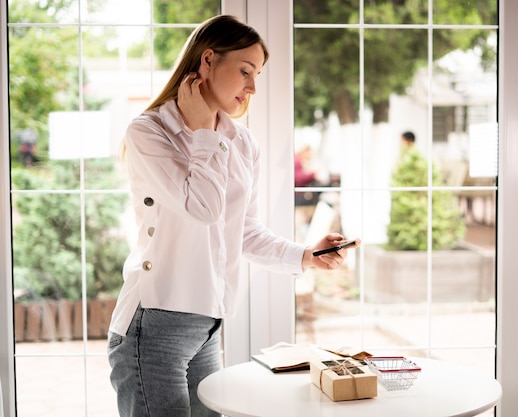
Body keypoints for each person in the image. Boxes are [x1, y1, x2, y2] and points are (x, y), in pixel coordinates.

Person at [107, 15, 360, 417]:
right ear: (207, 61)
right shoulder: (149, 132)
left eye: (257, 74)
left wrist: (305, 255)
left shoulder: (241, 142)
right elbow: (203, 209)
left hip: (207, 326)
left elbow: (242, 230)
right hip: (153, 328)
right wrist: (204, 132)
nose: (253, 87)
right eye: (245, 71)